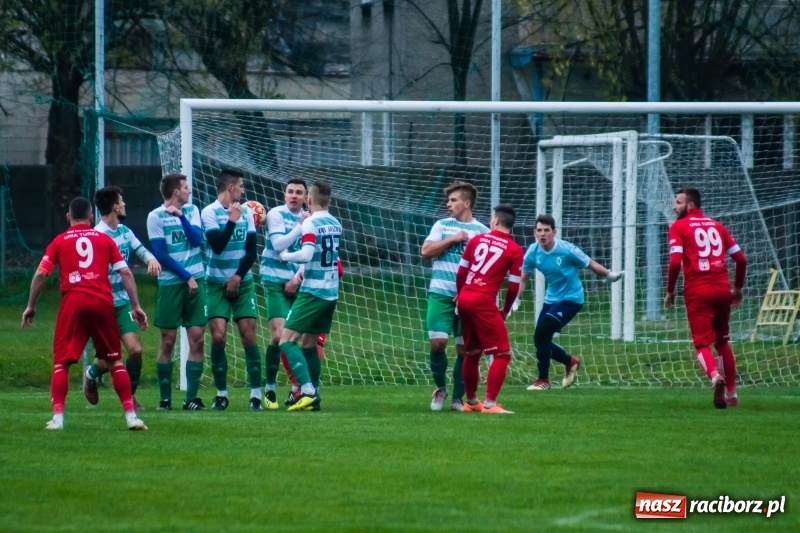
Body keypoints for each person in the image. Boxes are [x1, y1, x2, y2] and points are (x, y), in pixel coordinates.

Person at [21, 197, 148, 430]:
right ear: (91, 218)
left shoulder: (59, 241)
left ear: (68, 217)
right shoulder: (104, 239)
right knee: (115, 359)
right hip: (102, 302)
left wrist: (31, 306)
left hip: (73, 303)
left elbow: (41, 274)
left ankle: (58, 419)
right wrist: (136, 306)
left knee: (62, 362)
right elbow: (126, 273)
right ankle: (131, 417)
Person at [518, 214, 623, 390]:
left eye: (546, 230)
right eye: (539, 230)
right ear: (535, 232)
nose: (542, 234)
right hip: (551, 299)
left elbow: (589, 263)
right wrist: (517, 298)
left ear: (554, 232)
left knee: (541, 334)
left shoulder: (567, 249)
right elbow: (523, 279)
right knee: (541, 339)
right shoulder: (533, 252)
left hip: (571, 299)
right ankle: (569, 362)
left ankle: (543, 380)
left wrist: (608, 274)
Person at [665, 188, 746, 409]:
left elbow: (674, 262)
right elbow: (740, 258)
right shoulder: (717, 226)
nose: (675, 207)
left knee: (702, 343)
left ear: (690, 205)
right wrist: (738, 288)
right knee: (722, 342)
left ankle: (714, 376)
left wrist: (670, 290)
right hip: (722, 290)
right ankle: (731, 393)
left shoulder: (678, 227)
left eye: (679, 202)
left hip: (698, 292)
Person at [82, 186, 161, 410]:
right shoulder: (97, 236)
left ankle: (130, 397)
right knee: (109, 358)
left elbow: (140, 249)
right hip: (103, 303)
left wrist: (151, 259)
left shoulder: (125, 231)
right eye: (122, 201)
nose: (125, 204)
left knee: (135, 351)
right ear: (115, 206)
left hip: (122, 302)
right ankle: (91, 375)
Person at [420, 180, 488, 412]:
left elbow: (484, 270)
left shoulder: (483, 232)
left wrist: (467, 292)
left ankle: (458, 398)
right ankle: (440, 388)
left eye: (454, 200)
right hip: (440, 293)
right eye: (448, 200)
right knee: (438, 343)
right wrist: (453, 239)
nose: (448, 204)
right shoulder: (442, 225)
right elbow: (426, 251)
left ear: (467, 203)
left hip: (467, 298)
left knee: (464, 350)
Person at [278, 179, 342, 412]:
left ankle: (307, 390)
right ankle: (313, 394)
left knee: (285, 340)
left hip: (313, 291)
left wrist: (284, 256)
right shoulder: (336, 222)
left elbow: (306, 254)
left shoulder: (310, 223)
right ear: (329, 201)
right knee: (309, 343)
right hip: (331, 292)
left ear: (309, 199)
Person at [201, 169, 263, 411]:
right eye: (240, 186)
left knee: (248, 335)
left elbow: (251, 252)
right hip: (215, 283)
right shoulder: (209, 212)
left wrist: (237, 277)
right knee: (218, 337)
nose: (243, 190)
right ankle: (221, 393)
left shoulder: (247, 211)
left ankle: (256, 394)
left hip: (243, 282)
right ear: (230, 188)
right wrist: (231, 221)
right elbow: (216, 246)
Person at [147, 173, 207, 411]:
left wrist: (181, 218)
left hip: (196, 282)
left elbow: (196, 240)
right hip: (172, 284)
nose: (189, 191)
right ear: (175, 192)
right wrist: (187, 277)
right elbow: (161, 255)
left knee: (198, 340)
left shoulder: (191, 211)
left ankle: (191, 398)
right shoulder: (155, 216)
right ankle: (164, 399)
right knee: (168, 341)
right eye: (185, 187)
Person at [456, 204, 524, 414]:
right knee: (502, 353)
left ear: (495, 221)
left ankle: (472, 401)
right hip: (483, 301)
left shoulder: (476, 240)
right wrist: (505, 309)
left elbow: (461, 273)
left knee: (473, 351)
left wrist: (460, 296)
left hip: (466, 297)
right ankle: (489, 404)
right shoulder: (514, 250)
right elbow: (513, 286)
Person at [259, 178, 309, 409]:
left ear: (306, 197)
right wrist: (300, 226)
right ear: (284, 194)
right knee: (279, 336)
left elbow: (312, 253)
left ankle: (296, 389)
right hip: (273, 280)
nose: (294, 196)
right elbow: (279, 245)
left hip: (298, 282)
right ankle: (270, 388)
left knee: (295, 339)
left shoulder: (312, 218)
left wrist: (297, 278)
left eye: (299, 192)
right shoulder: (275, 215)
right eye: (290, 191)